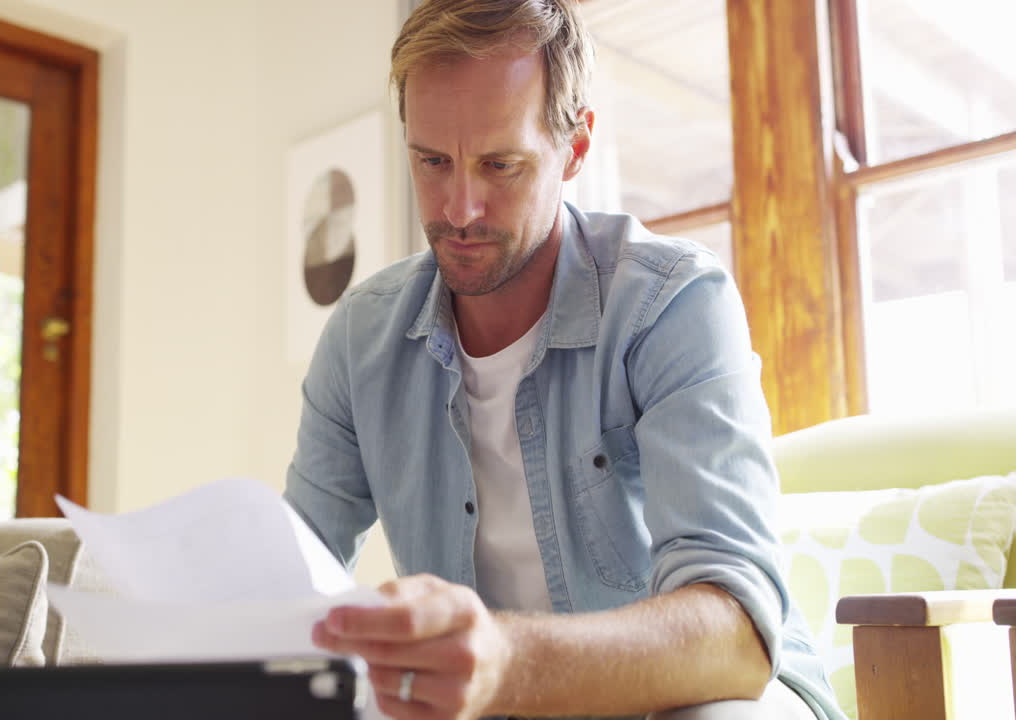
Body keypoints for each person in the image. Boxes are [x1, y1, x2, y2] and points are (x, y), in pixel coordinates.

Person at [284, 1, 843, 718]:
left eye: (500, 164)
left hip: (715, 698)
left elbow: (736, 636)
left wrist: (504, 661)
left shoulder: (672, 304)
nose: (459, 208)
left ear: (575, 146)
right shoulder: (361, 338)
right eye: (432, 162)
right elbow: (292, 584)